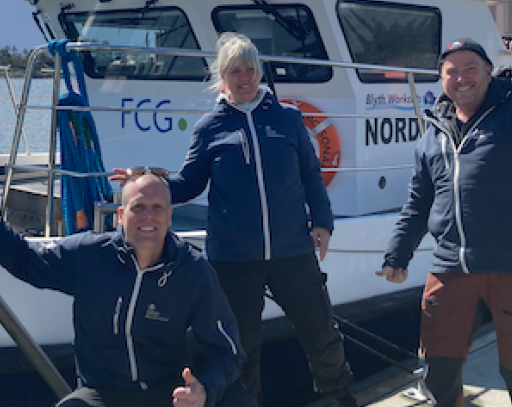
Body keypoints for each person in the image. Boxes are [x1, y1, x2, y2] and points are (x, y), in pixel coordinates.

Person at [112, 32, 356, 407]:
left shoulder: (288, 119)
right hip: (233, 260)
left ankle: (341, 400)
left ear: (259, 72)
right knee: (240, 350)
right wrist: (145, 183)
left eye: (249, 69)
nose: (244, 78)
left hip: (293, 252)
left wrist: (322, 222)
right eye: (234, 71)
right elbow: (189, 183)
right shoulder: (210, 127)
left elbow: (311, 175)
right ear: (222, 79)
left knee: (322, 336)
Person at [376, 38, 512, 407]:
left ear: (488, 72)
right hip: (451, 263)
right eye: (451, 71)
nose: (461, 78)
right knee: (437, 364)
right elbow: (418, 202)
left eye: (471, 68)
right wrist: (396, 256)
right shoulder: (432, 136)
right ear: (441, 80)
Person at [0, 171, 254, 407]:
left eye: (157, 208)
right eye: (138, 208)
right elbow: (25, 260)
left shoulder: (193, 271)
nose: (148, 216)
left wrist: (204, 390)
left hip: (169, 391)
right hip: (102, 394)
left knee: (238, 402)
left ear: (170, 217)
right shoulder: (90, 256)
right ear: (121, 216)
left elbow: (227, 353)